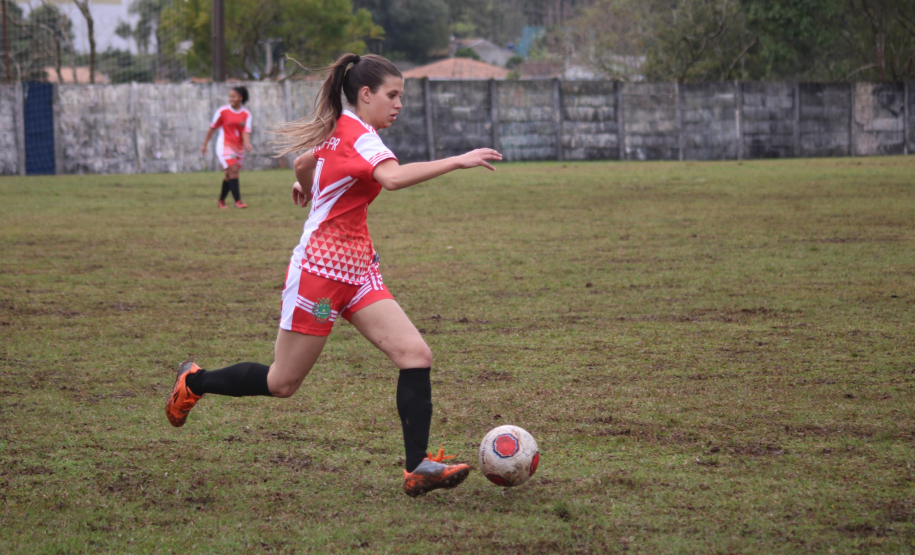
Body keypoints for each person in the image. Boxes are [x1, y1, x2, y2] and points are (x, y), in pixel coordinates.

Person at [167, 53, 502, 498]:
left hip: (359, 272)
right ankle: (194, 381)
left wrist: (306, 183)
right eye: (393, 95)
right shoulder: (362, 139)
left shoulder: (345, 130)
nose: (399, 104)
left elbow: (304, 162)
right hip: (320, 278)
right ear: (366, 94)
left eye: (402, 95)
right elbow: (394, 179)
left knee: (415, 354)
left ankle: (417, 467)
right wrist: (458, 160)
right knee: (282, 383)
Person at [202, 86, 253, 209]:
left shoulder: (246, 114)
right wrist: (205, 144)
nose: (231, 99)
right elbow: (212, 128)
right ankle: (238, 201)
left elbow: (245, 131)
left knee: (228, 175)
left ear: (240, 98)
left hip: (239, 148)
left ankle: (221, 201)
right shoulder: (222, 112)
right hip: (224, 146)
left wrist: (247, 143)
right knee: (234, 171)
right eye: (230, 96)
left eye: (233, 96)